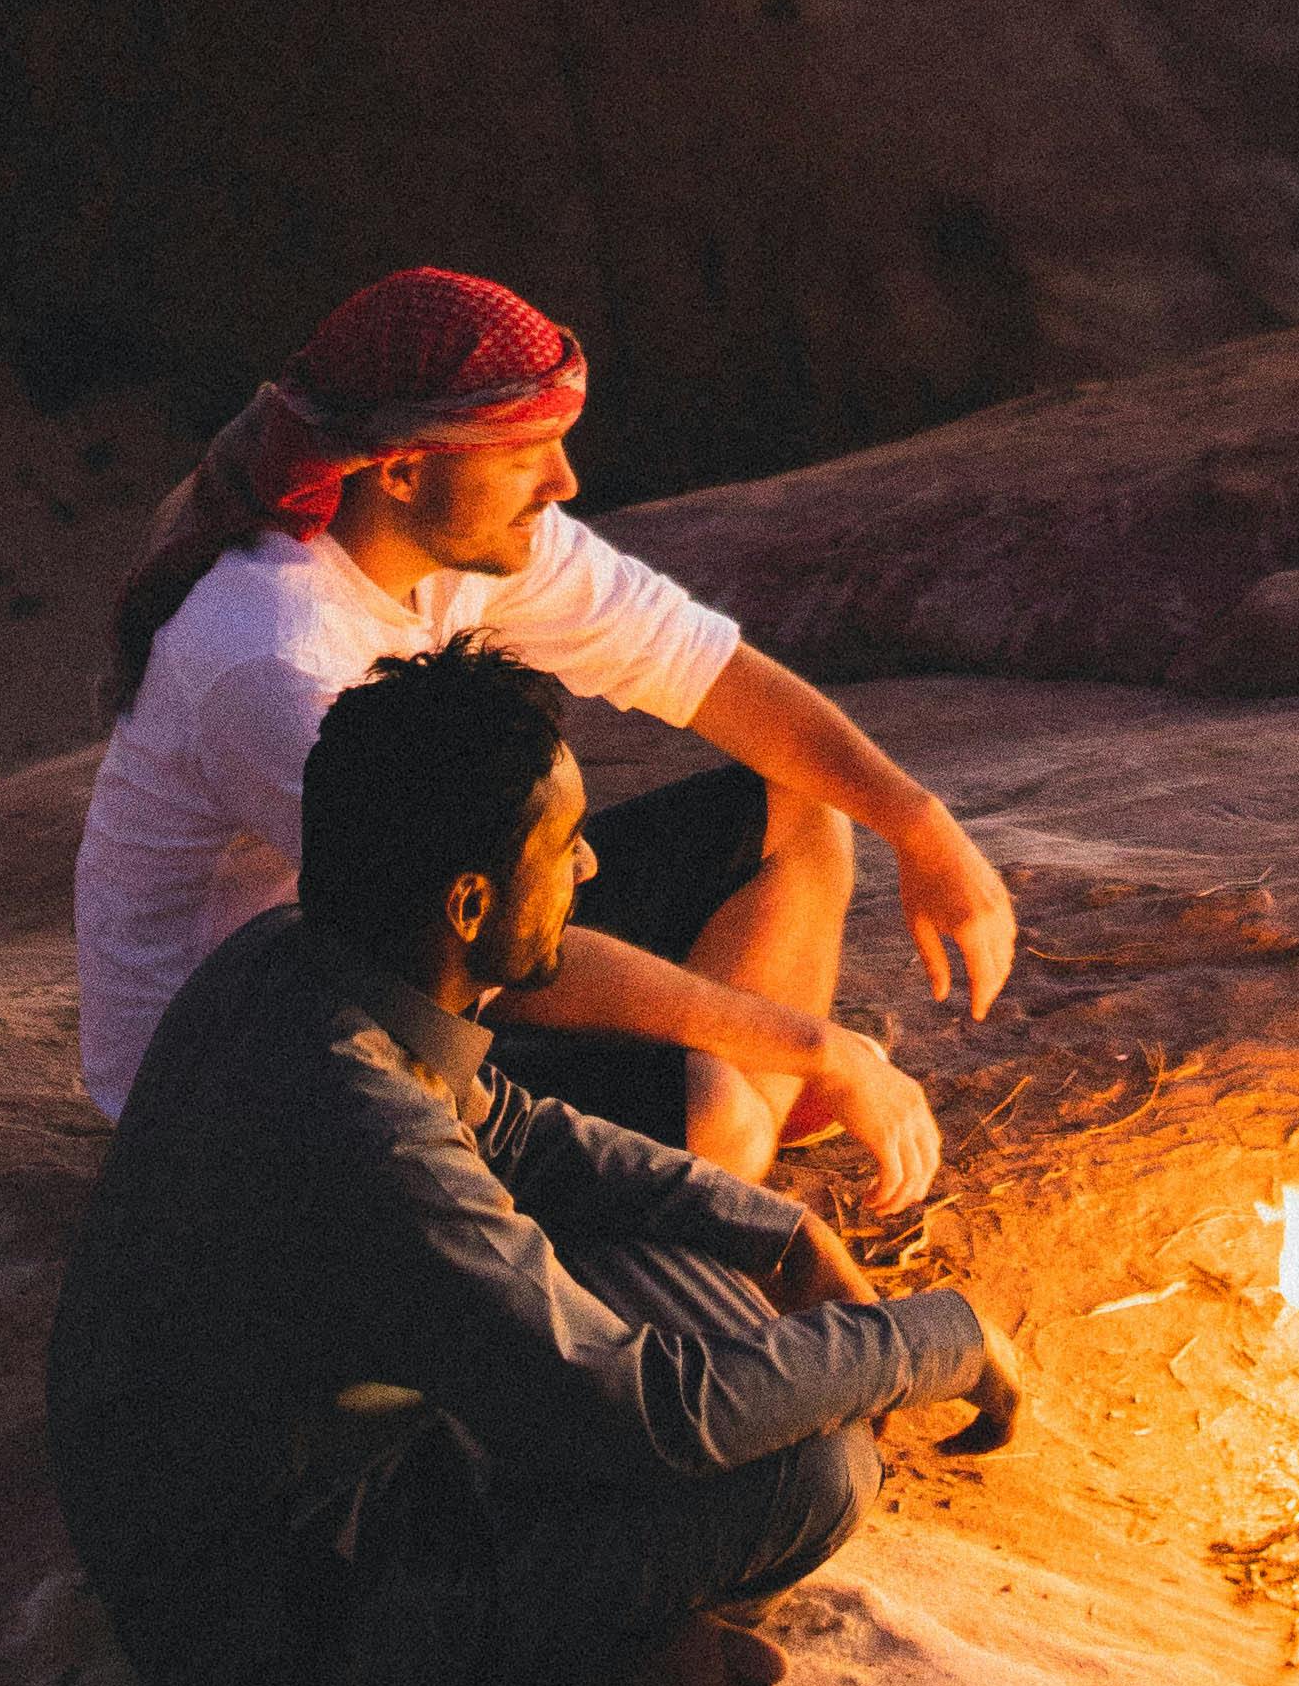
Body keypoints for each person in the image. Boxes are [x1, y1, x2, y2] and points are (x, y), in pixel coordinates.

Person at [47, 640, 1025, 1686]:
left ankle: (611, 1626)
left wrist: (780, 1228)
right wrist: (927, 1338)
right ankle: (577, 1668)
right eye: (563, 848)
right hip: (293, 1632)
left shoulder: (291, 961)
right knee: (811, 1469)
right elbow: (642, 1414)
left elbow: (519, 1129)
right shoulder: (365, 1131)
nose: (591, 871)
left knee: (687, 1286)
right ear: (470, 901)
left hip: (265, 1481)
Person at [73, 267, 1017, 1208]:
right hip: (260, 1065)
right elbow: (468, 935)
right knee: (720, 1121)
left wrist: (920, 821)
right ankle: (717, 1159)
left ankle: (709, 1139)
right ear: (401, 467)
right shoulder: (273, 660)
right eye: (527, 455)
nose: (562, 481)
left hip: (410, 959)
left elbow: (707, 672)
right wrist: (812, 1044)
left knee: (800, 810)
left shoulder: (461, 540)